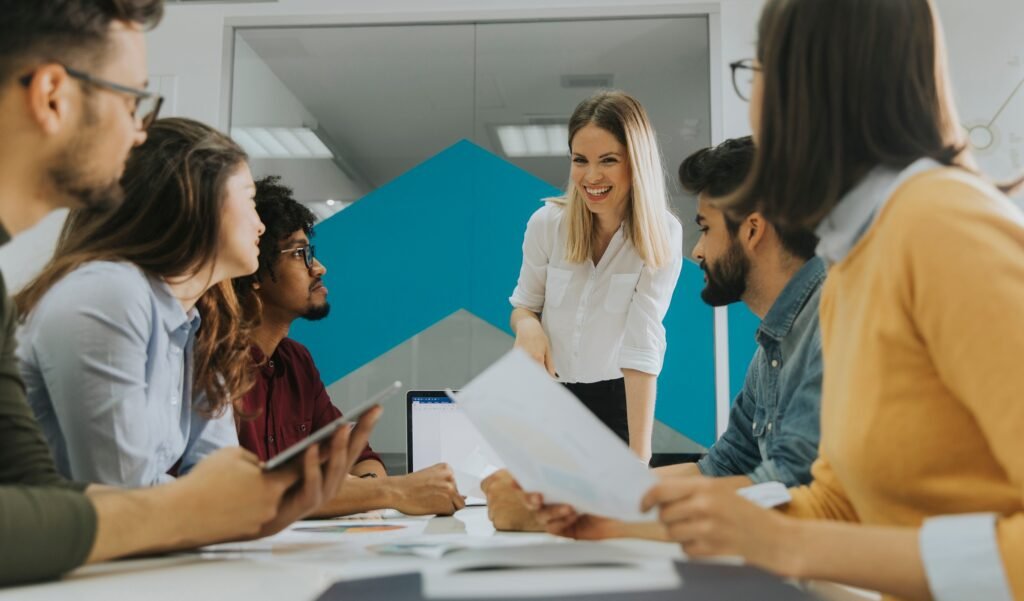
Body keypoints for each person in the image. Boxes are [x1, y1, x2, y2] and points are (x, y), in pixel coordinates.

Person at [642, 1, 1024, 600]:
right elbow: (834, 502)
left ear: (806, 83)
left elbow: (814, 538)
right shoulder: (853, 259)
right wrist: (605, 518)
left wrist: (785, 544)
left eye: (757, 71)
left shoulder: (940, 226)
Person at [0, 0, 376, 586]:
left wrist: (265, 497)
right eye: (132, 102)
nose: (138, 131)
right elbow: (122, 501)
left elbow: (208, 484)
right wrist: (233, 502)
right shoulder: (109, 294)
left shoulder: (199, 322)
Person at [485, 137, 826, 535]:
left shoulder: (832, 329)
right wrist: (564, 497)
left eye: (706, 229)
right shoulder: (775, 346)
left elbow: (789, 494)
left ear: (752, 230)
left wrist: (580, 516)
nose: (697, 251)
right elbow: (721, 469)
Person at [18, 117, 262, 487]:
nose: (260, 225)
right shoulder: (109, 293)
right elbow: (122, 493)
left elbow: (221, 479)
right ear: (196, 199)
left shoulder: (197, 323)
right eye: (250, 198)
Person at [233, 176, 465, 516]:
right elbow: (244, 494)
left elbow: (358, 460)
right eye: (300, 254)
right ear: (254, 270)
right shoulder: (214, 366)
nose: (319, 267)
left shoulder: (296, 362)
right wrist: (391, 491)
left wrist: (363, 489)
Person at [509, 90, 683, 461]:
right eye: (580, 160)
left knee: (613, 509)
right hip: (548, 396)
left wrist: (640, 457)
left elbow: (642, 346)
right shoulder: (546, 224)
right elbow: (524, 306)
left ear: (636, 162)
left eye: (608, 160)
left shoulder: (661, 235)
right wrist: (528, 327)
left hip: (616, 401)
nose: (591, 177)